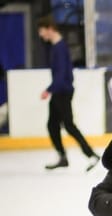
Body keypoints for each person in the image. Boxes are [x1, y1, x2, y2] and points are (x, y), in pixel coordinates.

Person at [36, 15, 100, 171]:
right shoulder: (56, 46)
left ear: (50, 29)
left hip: (62, 91)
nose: (41, 35)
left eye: (42, 31)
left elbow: (62, 74)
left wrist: (49, 90)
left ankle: (91, 155)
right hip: (60, 90)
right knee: (52, 125)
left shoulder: (59, 47)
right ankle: (62, 156)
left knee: (69, 126)